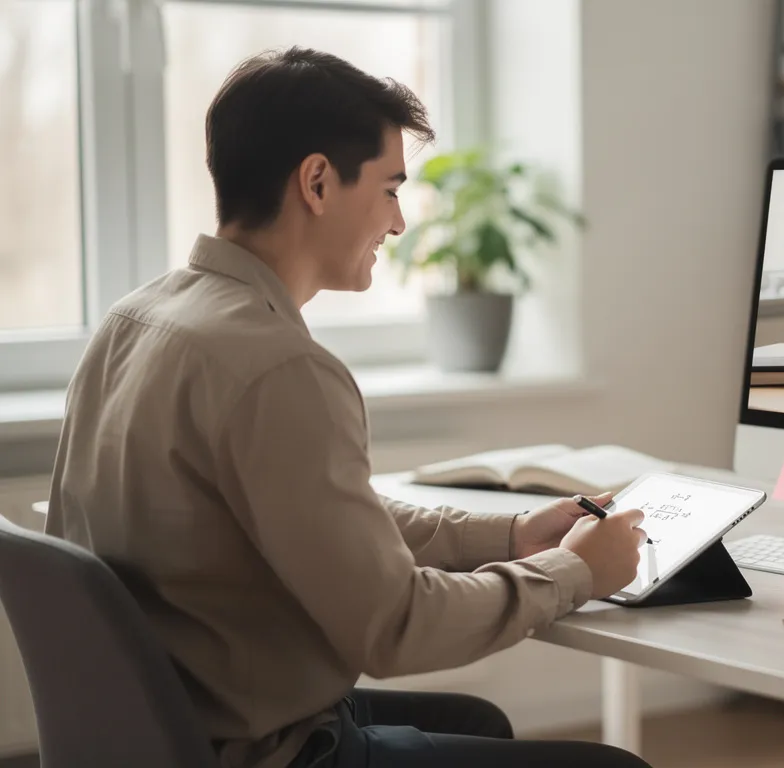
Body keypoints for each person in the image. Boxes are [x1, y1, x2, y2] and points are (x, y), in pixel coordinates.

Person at [44, 48, 651, 768]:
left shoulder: (133, 321)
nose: (397, 224)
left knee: (477, 721)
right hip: (258, 749)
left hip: (162, 725)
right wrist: (576, 573)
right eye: (391, 189)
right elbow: (398, 627)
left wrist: (514, 533)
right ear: (318, 182)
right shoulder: (278, 367)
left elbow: (320, 522)